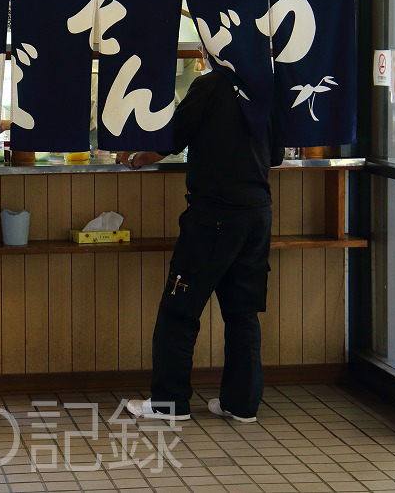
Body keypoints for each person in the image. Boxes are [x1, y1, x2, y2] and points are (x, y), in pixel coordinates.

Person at [119, 66, 284, 424]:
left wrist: (134, 157)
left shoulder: (210, 84)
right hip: (258, 213)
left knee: (179, 311)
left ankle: (169, 402)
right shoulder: (266, 84)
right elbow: (275, 155)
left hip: (214, 216)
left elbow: (169, 140)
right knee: (242, 312)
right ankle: (241, 405)